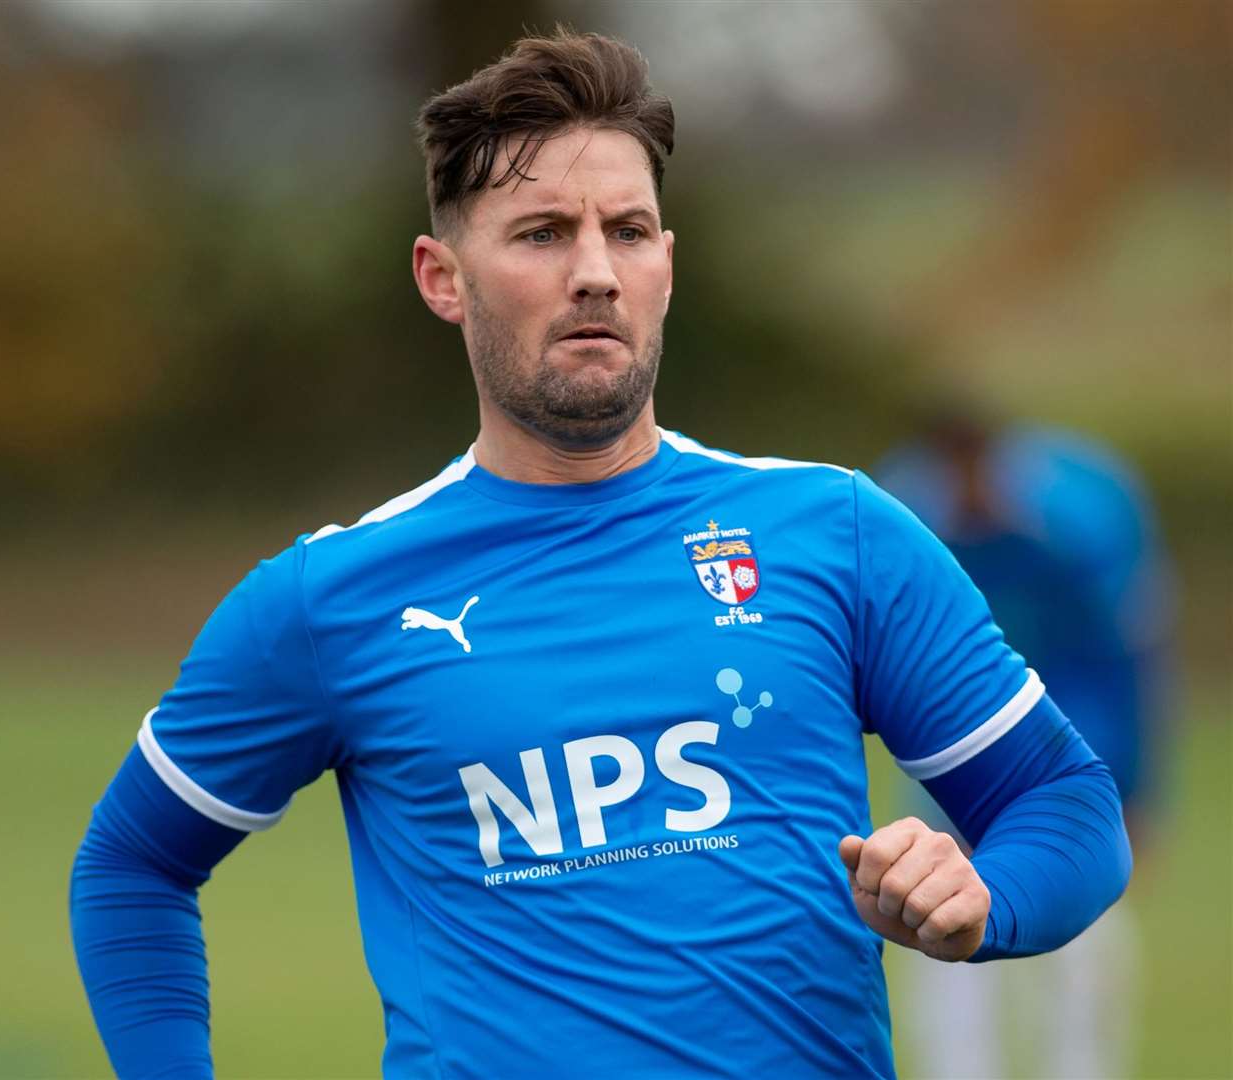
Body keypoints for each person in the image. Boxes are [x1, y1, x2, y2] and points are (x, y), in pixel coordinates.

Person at [71, 30, 1132, 1079]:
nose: (595, 273)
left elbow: (1065, 804)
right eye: (539, 233)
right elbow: (131, 866)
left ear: (667, 263)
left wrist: (984, 902)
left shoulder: (836, 532)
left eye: (627, 230)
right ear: (443, 278)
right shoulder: (332, 597)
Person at [877, 413, 1173, 1078]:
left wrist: (1138, 786)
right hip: (952, 757)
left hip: (1072, 748)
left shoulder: (1085, 517)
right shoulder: (903, 520)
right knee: (943, 928)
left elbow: (1129, 658)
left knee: (1082, 940)